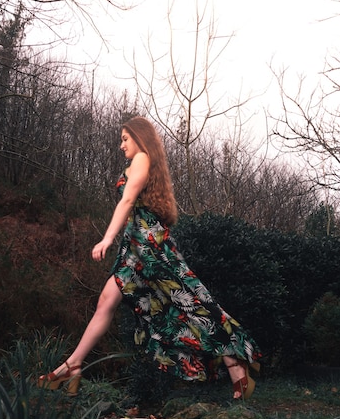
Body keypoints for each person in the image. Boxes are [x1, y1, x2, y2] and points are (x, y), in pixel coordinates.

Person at [38, 116, 261, 399]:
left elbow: (128, 200)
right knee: (107, 302)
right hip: (134, 247)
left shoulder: (142, 157)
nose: (122, 145)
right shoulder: (136, 162)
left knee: (192, 302)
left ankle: (234, 358)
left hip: (149, 248)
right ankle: (72, 366)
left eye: (125, 139)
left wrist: (106, 238)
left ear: (139, 138)